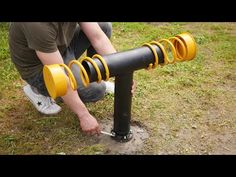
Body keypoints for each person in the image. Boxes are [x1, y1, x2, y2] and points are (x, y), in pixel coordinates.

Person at [9, 22, 118, 136]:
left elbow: (98, 38)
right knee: (96, 91)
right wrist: (84, 115)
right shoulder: (37, 25)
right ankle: (36, 89)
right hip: (39, 68)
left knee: (103, 26)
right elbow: (59, 77)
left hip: (60, 49)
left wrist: (122, 72)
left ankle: (90, 76)